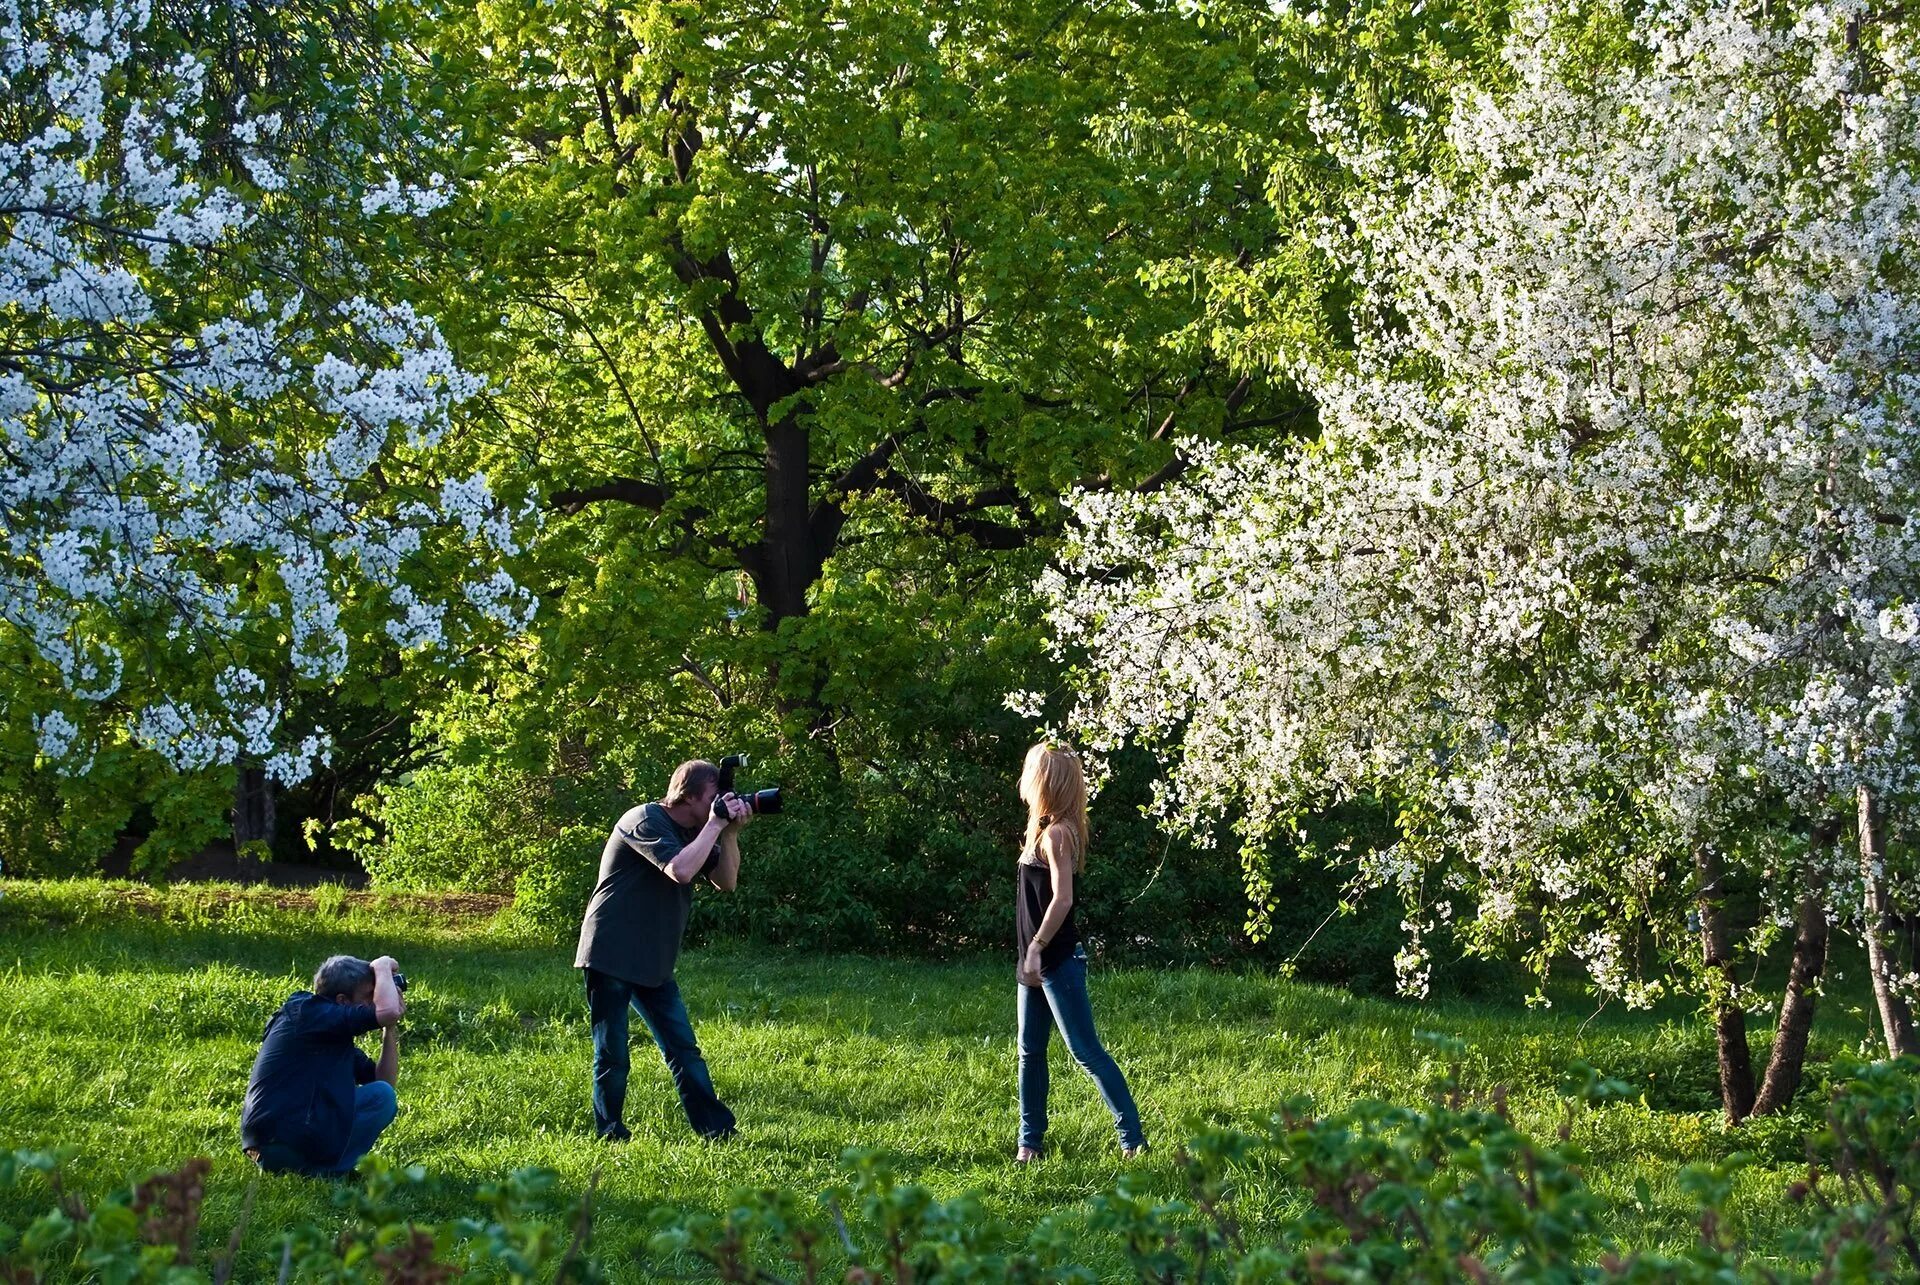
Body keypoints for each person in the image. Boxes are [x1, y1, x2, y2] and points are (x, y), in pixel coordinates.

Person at [575, 759, 750, 1141]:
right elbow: (680, 871)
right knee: (614, 1053)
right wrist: (715, 825)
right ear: (688, 796)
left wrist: (729, 834)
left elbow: (727, 882)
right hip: (611, 951)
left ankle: (716, 1131)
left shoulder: (697, 830)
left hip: (653, 957)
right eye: (712, 798)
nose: (719, 804)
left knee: (684, 1049)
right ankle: (610, 1132)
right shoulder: (643, 819)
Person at [1013, 741, 1148, 1162]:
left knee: (1085, 1051)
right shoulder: (1045, 827)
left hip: (1055, 960)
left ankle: (1134, 1140)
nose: (1025, 782)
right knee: (1029, 1051)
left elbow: (1062, 899)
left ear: (1046, 783)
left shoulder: (1056, 834)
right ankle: (1029, 1143)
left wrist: (1036, 948)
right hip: (1034, 959)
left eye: (1031, 774)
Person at [241, 954, 405, 1176]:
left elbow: (384, 1082)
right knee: (381, 1096)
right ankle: (329, 1171)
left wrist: (390, 1029)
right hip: (276, 1143)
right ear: (342, 1001)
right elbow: (387, 1011)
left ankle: (324, 1171)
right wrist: (382, 966)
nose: (374, 1001)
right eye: (369, 994)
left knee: (381, 1095)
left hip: (286, 1142)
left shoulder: (330, 1032)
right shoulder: (307, 1011)